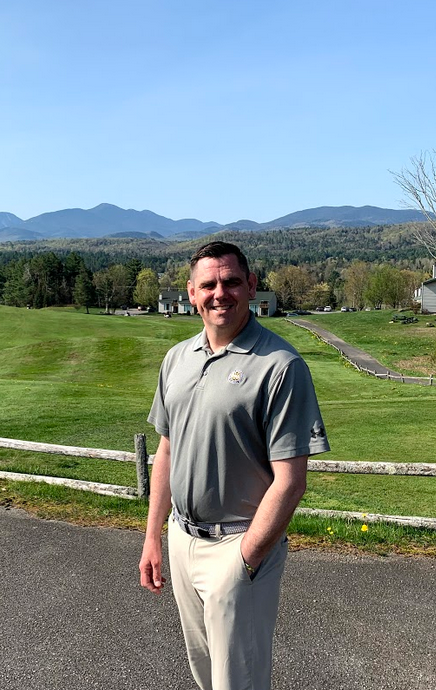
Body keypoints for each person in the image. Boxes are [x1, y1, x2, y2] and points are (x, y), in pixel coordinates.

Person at [139, 241, 330, 690]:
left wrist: (245, 560)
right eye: (208, 284)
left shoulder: (281, 366)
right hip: (182, 539)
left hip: (240, 546)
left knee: (238, 682)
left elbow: (291, 481)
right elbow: (167, 451)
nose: (219, 293)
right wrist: (152, 537)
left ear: (251, 287)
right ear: (191, 293)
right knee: (206, 675)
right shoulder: (177, 359)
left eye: (230, 282)